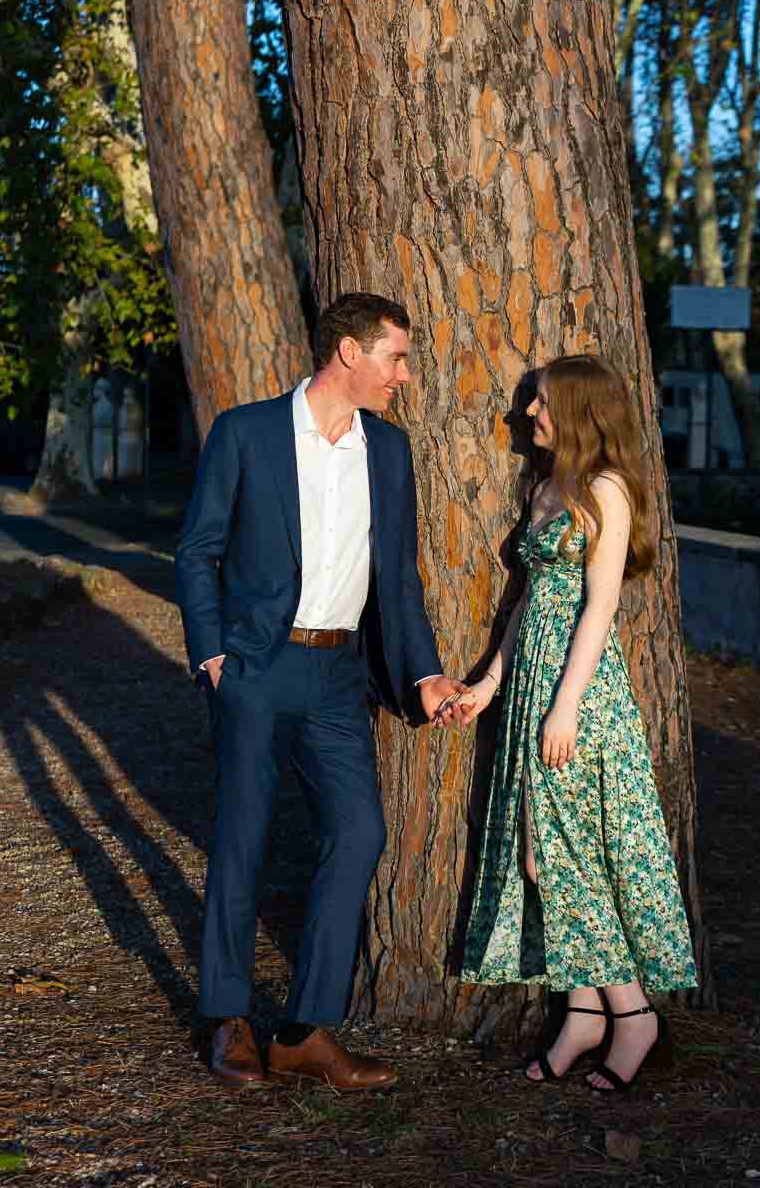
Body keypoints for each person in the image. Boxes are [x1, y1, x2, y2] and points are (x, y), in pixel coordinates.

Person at [175, 293, 465, 1090]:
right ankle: (228, 1017)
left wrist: (424, 670)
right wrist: (212, 656)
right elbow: (197, 550)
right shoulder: (247, 432)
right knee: (243, 837)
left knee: (359, 834)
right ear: (347, 352)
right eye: (394, 357)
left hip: (340, 679)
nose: (403, 375)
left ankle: (303, 1029)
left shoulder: (390, 451)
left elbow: (397, 579)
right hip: (256, 669)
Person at [458, 354, 697, 1093]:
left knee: (569, 856)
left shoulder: (607, 491)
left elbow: (598, 607)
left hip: (581, 695)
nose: (529, 414)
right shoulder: (548, 489)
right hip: (533, 683)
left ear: (582, 410)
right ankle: (586, 1013)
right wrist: (491, 682)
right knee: (541, 857)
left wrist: (564, 705)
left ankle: (631, 1015)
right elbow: (528, 600)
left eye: (542, 404)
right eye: (531, 403)